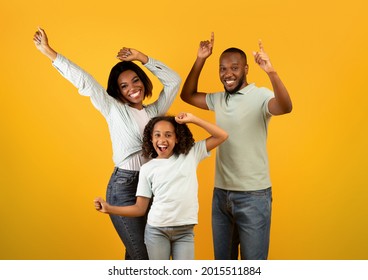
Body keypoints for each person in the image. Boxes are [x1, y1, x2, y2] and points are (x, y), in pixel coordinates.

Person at [33, 27, 181, 260]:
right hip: (123, 187)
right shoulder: (113, 109)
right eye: (124, 86)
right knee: (144, 257)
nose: (132, 88)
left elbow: (174, 81)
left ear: (142, 81)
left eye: (135, 81)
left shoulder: (155, 113)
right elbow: (86, 82)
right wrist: (50, 52)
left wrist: (142, 58)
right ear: (117, 91)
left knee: (138, 254)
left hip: (151, 187)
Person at [180, 33, 292, 260]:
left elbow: (285, 106)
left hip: (254, 196)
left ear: (246, 69)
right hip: (221, 195)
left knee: (254, 266)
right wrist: (201, 58)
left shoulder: (260, 96)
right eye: (222, 68)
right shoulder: (219, 99)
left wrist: (271, 72)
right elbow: (188, 95)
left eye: (234, 68)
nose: (227, 74)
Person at [94, 112, 228, 260]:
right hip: (156, 231)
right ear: (151, 139)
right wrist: (109, 208)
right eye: (157, 135)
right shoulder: (147, 169)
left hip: (185, 232)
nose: (162, 140)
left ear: (177, 138)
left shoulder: (191, 154)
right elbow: (140, 208)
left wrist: (193, 119)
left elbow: (221, 136)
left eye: (168, 135)